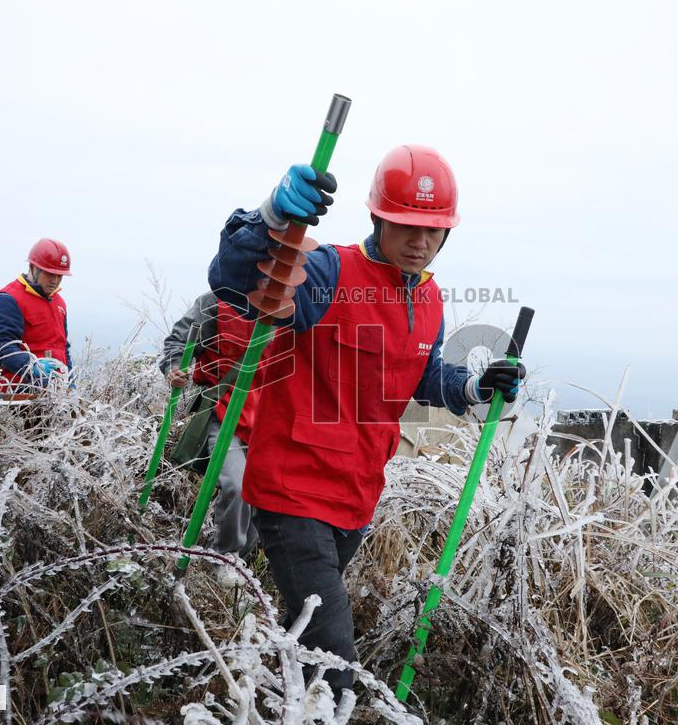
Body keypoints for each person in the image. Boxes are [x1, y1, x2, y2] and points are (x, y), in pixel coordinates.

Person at [207, 145, 526, 698]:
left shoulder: (427, 296)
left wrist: (473, 387)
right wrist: (271, 218)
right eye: (406, 225)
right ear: (378, 216)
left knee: (302, 640)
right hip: (292, 492)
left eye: (433, 229)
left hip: (356, 498)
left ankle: (253, 694)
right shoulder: (330, 270)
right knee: (335, 666)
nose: (420, 241)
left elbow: (422, 374)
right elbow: (236, 282)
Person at [159, 291, 262, 563]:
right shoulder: (215, 303)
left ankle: (244, 565)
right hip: (222, 409)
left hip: (269, 418)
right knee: (238, 486)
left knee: (264, 494)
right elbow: (179, 341)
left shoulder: (292, 307)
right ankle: (225, 558)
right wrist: (173, 367)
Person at [0, 238, 73, 391]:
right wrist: (30, 366)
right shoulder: (8, 299)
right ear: (33, 268)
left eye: (59, 275)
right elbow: (0, 347)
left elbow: (63, 347)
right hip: (19, 396)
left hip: (54, 395)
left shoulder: (59, 302)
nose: (55, 281)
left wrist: (70, 384)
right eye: (49, 273)